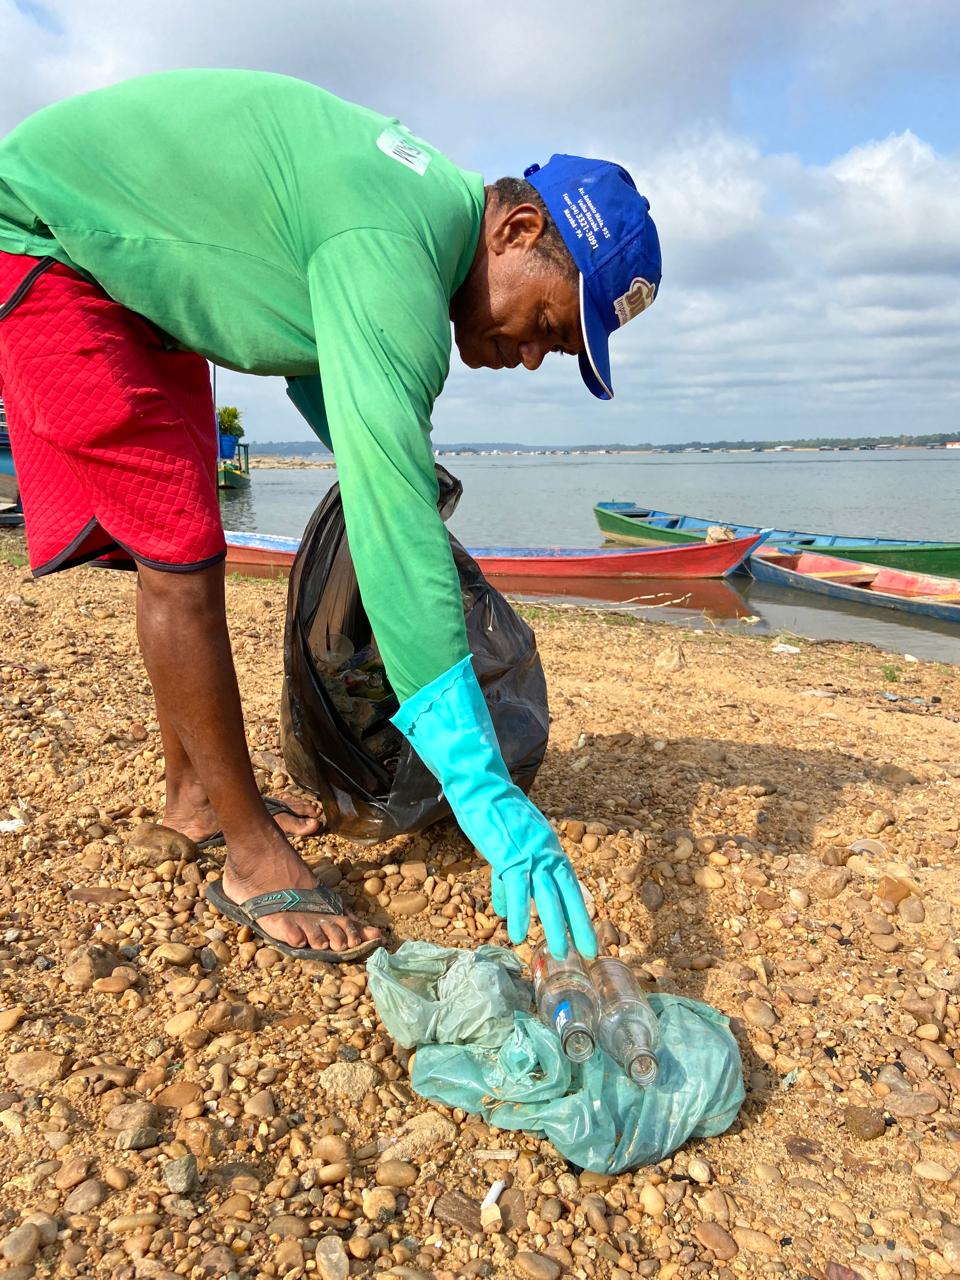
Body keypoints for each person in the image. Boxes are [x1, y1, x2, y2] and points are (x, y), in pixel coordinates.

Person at [0, 70, 661, 964]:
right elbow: (386, 522)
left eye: (559, 347)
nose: (536, 356)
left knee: (188, 545)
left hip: (128, 279)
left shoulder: (415, 215)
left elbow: (317, 361)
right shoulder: (394, 247)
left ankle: (197, 799)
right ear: (518, 229)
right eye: (549, 322)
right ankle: (249, 855)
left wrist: (395, 477)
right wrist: (483, 790)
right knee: (180, 558)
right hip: (46, 243)